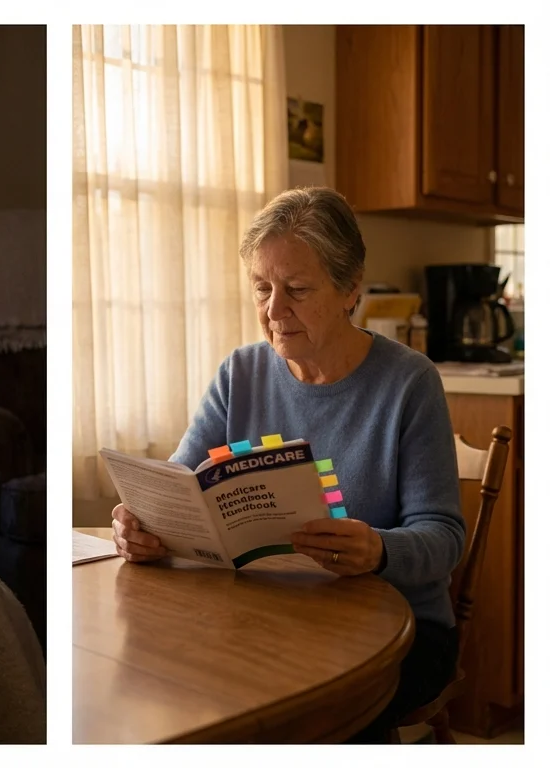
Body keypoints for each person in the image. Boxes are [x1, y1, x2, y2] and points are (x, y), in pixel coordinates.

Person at [110, 186, 466, 742]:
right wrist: (141, 523)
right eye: (262, 288)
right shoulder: (241, 372)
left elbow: (444, 537)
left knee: (314, 714)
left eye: (297, 289)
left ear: (352, 290)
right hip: (267, 613)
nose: (274, 311)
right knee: (173, 685)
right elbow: (178, 483)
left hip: (399, 627)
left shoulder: (410, 382)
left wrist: (378, 549)